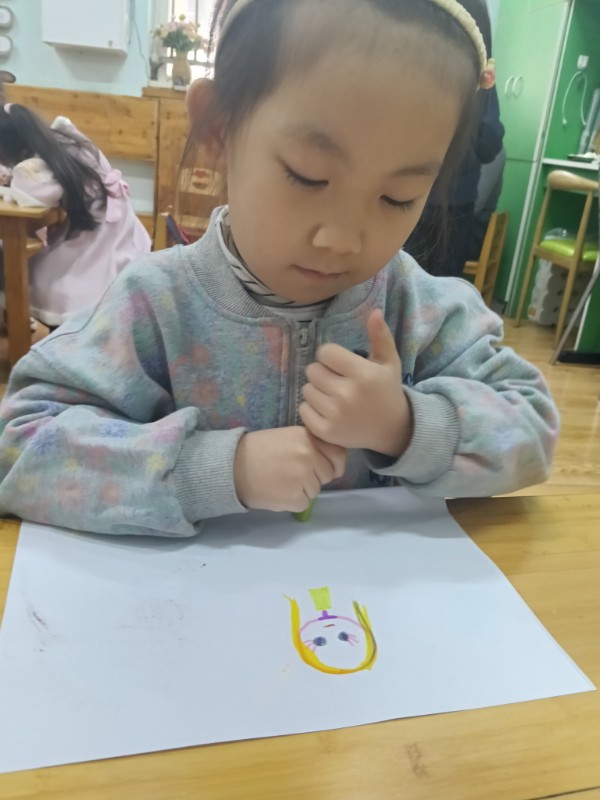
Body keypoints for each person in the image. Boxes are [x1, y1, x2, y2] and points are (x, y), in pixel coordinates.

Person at [0, 0, 559, 537]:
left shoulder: (420, 310)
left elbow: (533, 428)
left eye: (399, 197)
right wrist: (220, 469)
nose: (343, 240)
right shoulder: (152, 304)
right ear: (218, 129)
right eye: (307, 176)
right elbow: (18, 448)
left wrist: (405, 426)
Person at [0, 104, 151, 327]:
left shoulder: (42, 164)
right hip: (123, 235)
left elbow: (31, 197)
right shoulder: (70, 142)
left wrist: (14, 178)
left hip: (95, 248)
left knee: (42, 282)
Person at [404, 0, 504, 277]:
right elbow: (490, 143)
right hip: (457, 200)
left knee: (397, 279)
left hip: (408, 194)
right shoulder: (481, 78)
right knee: (443, 286)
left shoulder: (413, 60)